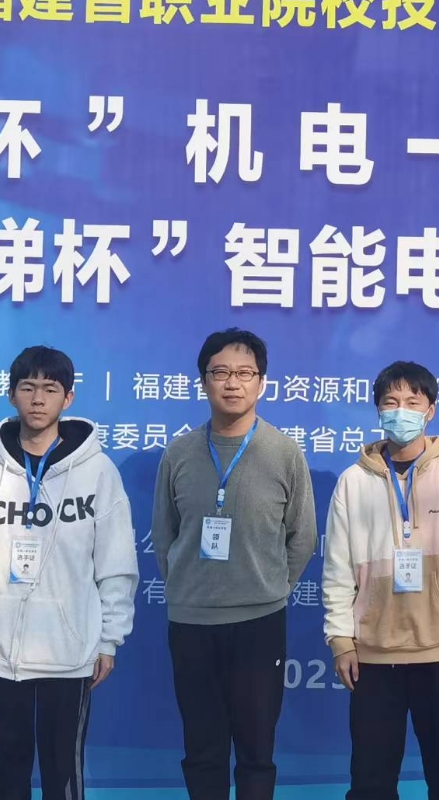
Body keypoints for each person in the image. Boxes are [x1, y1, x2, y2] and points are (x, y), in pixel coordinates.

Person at [0, 345, 139, 800]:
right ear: (11, 394)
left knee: (62, 772)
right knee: (1, 773)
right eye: (27, 387)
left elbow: (116, 561)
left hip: (68, 649)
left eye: (50, 388)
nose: (37, 398)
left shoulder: (98, 472)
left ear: (68, 398)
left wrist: (108, 639)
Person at [152, 328, 318, 800]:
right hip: (191, 622)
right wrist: (190, 588)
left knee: (256, 750)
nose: (232, 382)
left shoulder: (283, 453)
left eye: (245, 373)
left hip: (258, 622)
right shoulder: (179, 453)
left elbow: (302, 536)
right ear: (203, 381)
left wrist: (268, 588)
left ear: (262, 383)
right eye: (220, 372)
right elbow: (164, 535)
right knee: (201, 749)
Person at [322, 361, 439, 800]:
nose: (401, 411)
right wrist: (341, 639)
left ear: (430, 410)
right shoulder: (353, 482)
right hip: (372, 656)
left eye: (412, 402)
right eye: (391, 402)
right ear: (378, 410)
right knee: (371, 784)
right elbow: (337, 567)